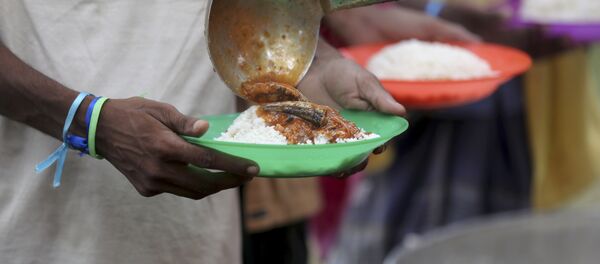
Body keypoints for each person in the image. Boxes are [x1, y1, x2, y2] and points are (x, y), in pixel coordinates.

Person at [0, 1, 405, 263]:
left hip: (199, 237)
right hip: (44, 233)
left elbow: (247, 16)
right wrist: (87, 121)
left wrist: (313, 66)